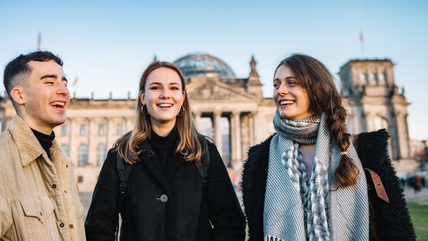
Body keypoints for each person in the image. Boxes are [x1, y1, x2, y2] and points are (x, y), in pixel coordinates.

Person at [241, 54, 415, 241]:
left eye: (291, 83)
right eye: (276, 84)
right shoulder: (259, 158)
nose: (280, 91)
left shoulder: (365, 150)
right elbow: (256, 232)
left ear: (317, 89)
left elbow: (396, 226)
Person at [85, 61, 246, 241]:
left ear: (183, 98)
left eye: (173, 88)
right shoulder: (121, 155)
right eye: (155, 87)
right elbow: (99, 227)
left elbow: (230, 222)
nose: (165, 95)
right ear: (143, 98)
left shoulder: (205, 152)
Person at [0, 51, 85, 240]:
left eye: (64, 82)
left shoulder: (63, 163)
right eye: (50, 82)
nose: (65, 91)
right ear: (19, 95)